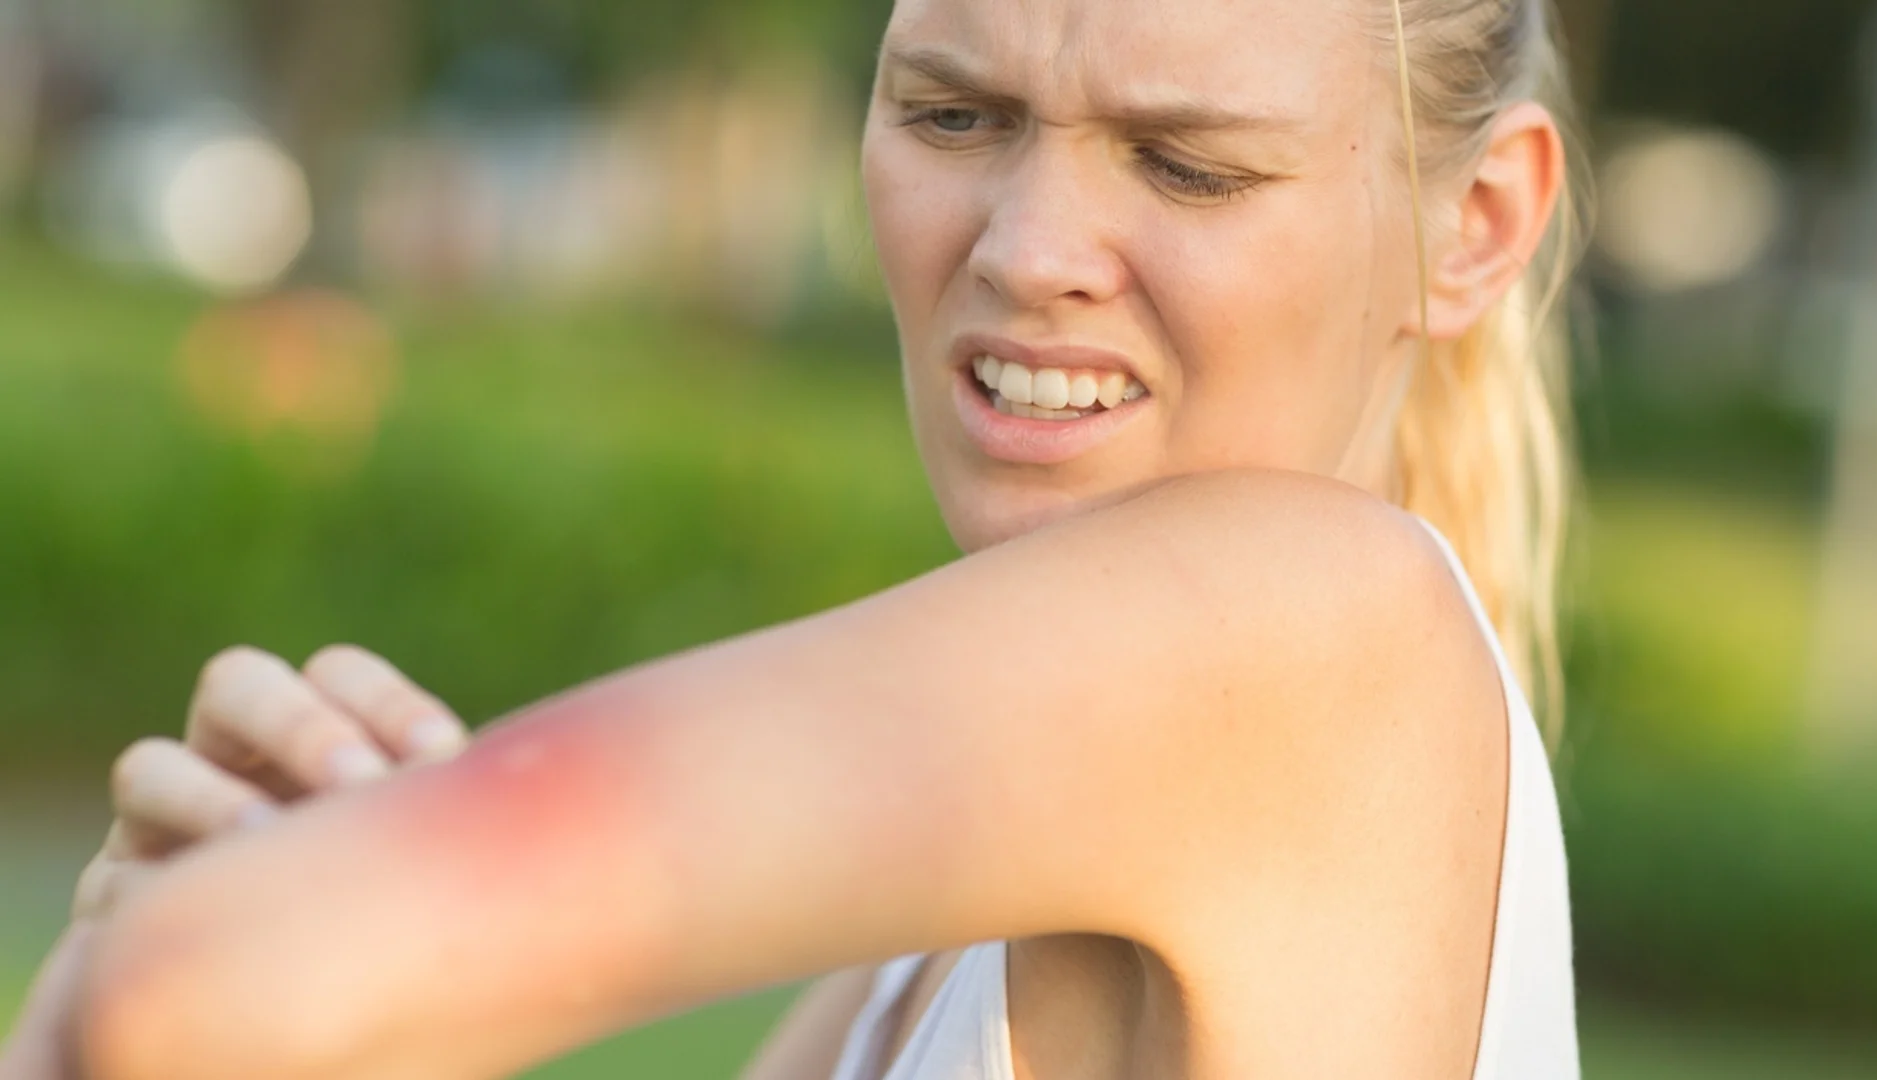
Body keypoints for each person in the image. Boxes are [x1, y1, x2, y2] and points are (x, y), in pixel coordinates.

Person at [0, 0, 1584, 1075]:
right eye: (955, 114)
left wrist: (178, 958)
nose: (1029, 251)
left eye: (1190, 164)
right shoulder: (910, 975)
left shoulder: (1312, 628)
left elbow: (175, 998)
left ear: (1478, 226)